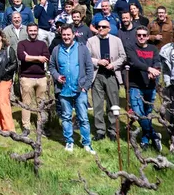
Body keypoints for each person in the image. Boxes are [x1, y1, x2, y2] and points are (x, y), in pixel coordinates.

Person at [49, 25, 95, 153]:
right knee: (66, 117)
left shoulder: (82, 49)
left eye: (68, 34)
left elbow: (89, 69)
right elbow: (51, 66)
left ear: (73, 35)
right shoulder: (57, 49)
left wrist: (86, 87)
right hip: (64, 90)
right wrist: (57, 76)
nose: (66, 37)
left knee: (83, 118)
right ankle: (69, 141)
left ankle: (87, 143)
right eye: (64, 35)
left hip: (79, 89)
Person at [87, 21, 126, 140]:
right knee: (97, 104)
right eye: (99, 27)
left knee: (113, 103)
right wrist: (97, 62)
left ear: (109, 28)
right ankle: (100, 130)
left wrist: (113, 65)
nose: (101, 28)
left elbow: (123, 56)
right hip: (97, 75)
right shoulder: (91, 41)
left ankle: (113, 130)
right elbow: (87, 57)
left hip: (111, 75)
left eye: (104, 27)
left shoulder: (116, 40)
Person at [126, 27, 161, 150]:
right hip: (136, 85)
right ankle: (154, 135)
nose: (141, 37)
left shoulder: (153, 49)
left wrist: (155, 70)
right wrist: (148, 69)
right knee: (138, 113)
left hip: (150, 86)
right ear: (136, 36)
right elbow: (134, 62)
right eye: (139, 35)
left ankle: (145, 140)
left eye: (144, 35)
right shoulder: (131, 47)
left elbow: (157, 62)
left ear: (147, 36)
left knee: (147, 113)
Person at [17, 23, 50, 136]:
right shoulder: (22, 44)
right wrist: (37, 58)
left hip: (41, 78)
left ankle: (41, 127)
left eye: (35, 30)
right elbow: (22, 57)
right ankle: (26, 127)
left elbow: (46, 58)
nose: (33, 32)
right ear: (27, 31)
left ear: (37, 31)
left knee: (42, 104)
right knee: (26, 104)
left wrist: (29, 57)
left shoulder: (42, 44)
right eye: (31, 30)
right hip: (26, 78)